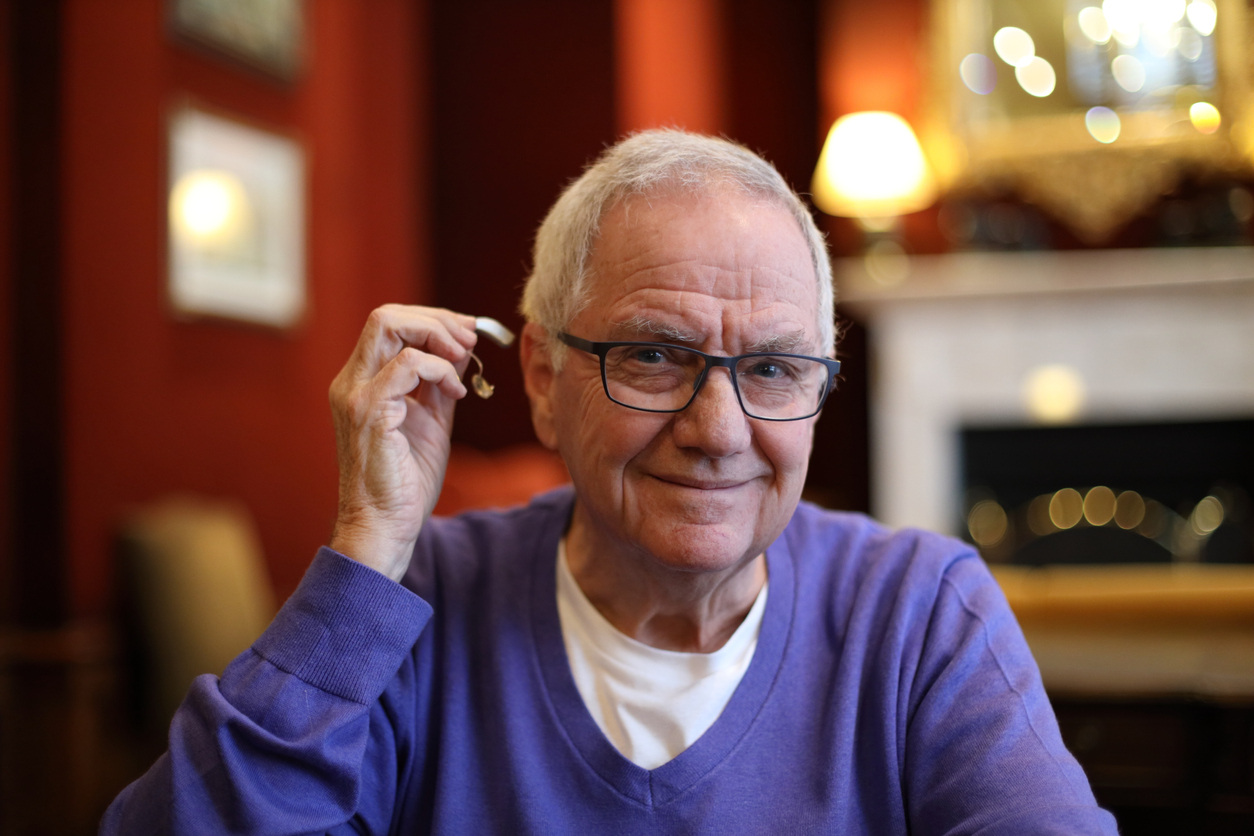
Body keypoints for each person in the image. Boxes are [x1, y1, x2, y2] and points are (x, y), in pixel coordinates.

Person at [102, 131, 1117, 834]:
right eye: (654, 357)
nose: (719, 431)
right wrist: (366, 542)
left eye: (772, 368)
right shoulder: (413, 602)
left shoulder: (920, 611)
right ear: (542, 378)